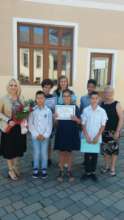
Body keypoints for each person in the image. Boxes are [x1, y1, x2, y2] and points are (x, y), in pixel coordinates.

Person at [0, 79, 27, 180]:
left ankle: (16, 167)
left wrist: (24, 114)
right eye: (11, 85)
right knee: (8, 150)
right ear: (8, 86)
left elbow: (25, 111)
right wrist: (8, 120)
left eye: (15, 85)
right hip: (9, 128)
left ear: (18, 87)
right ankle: (11, 170)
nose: (13, 87)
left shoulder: (22, 98)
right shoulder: (3, 98)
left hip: (19, 129)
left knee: (17, 148)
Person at [54, 89, 81, 182]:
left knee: (69, 153)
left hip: (71, 133)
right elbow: (56, 124)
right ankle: (61, 171)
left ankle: (69, 171)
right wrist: (55, 118)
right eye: (64, 96)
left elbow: (80, 122)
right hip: (61, 132)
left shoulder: (75, 107)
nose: (66, 98)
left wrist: (76, 119)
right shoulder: (59, 107)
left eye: (68, 96)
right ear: (62, 98)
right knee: (61, 153)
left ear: (71, 97)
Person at [81, 91, 108, 182]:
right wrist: (86, 135)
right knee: (87, 155)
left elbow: (103, 126)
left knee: (94, 156)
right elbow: (83, 124)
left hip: (97, 137)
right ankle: (87, 172)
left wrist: (97, 136)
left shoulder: (102, 111)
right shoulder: (86, 110)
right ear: (90, 99)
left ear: (98, 99)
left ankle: (93, 172)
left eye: (96, 98)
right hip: (87, 137)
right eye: (92, 98)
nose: (94, 100)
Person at [28, 91, 53, 179]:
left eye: (42, 98)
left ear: (44, 99)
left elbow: (50, 125)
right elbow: (30, 124)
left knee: (44, 153)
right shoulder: (33, 110)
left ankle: (44, 169)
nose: (40, 100)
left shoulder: (48, 111)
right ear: (36, 99)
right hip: (35, 136)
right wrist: (36, 134)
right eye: (38, 98)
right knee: (36, 153)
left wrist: (45, 135)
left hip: (45, 137)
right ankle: (35, 169)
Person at [101, 86, 123, 176]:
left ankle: (112, 167)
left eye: (109, 92)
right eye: (106, 92)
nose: (108, 94)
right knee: (105, 150)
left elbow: (122, 118)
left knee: (114, 150)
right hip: (104, 131)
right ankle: (106, 166)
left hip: (114, 131)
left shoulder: (117, 104)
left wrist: (118, 131)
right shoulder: (102, 103)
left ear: (113, 93)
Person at [41, 79, 56, 167]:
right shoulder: (39, 96)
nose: (47, 89)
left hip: (49, 124)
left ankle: (48, 158)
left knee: (48, 142)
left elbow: (54, 110)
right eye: (45, 87)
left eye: (49, 88)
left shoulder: (53, 98)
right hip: (40, 124)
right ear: (42, 87)